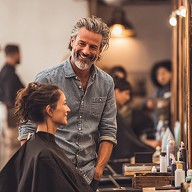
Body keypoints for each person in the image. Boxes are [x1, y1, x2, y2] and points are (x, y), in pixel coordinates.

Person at [18, 16, 117, 191]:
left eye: (93, 46)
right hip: (52, 174)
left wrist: (98, 170)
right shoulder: (47, 78)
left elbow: (108, 130)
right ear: (72, 41)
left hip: (88, 177)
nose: (86, 51)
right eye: (81, 43)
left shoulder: (107, 83)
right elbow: (27, 128)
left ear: (100, 50)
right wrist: (30, 169)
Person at [0, 82, 93, 192]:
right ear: (49, 110)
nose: (68, 109)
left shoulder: (35, 146)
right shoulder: (44, 156)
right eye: (64, 104)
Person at [110, 78, 154, 173]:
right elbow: (126, 139)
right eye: (126, 93)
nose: (128, 98)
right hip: (114, 162)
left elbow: (128, 137)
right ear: (116, 92)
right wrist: (148, 150)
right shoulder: (111, 112)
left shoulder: (114, 111)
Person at [0, 44, 24, 165]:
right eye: (19, 53)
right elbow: (10, 98)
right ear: (15, 54)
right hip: (11, 118)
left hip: (8, 117)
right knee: (13, 150)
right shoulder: (9, 74)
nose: (21, 56)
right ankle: (6, 181)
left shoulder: (6, 71)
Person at [150, 60, 172, 129]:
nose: (161, 77)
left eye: (163, 73)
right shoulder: (158, 92)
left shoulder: (174, 89)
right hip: (159, 123)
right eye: (158, 74)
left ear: (171, 73)